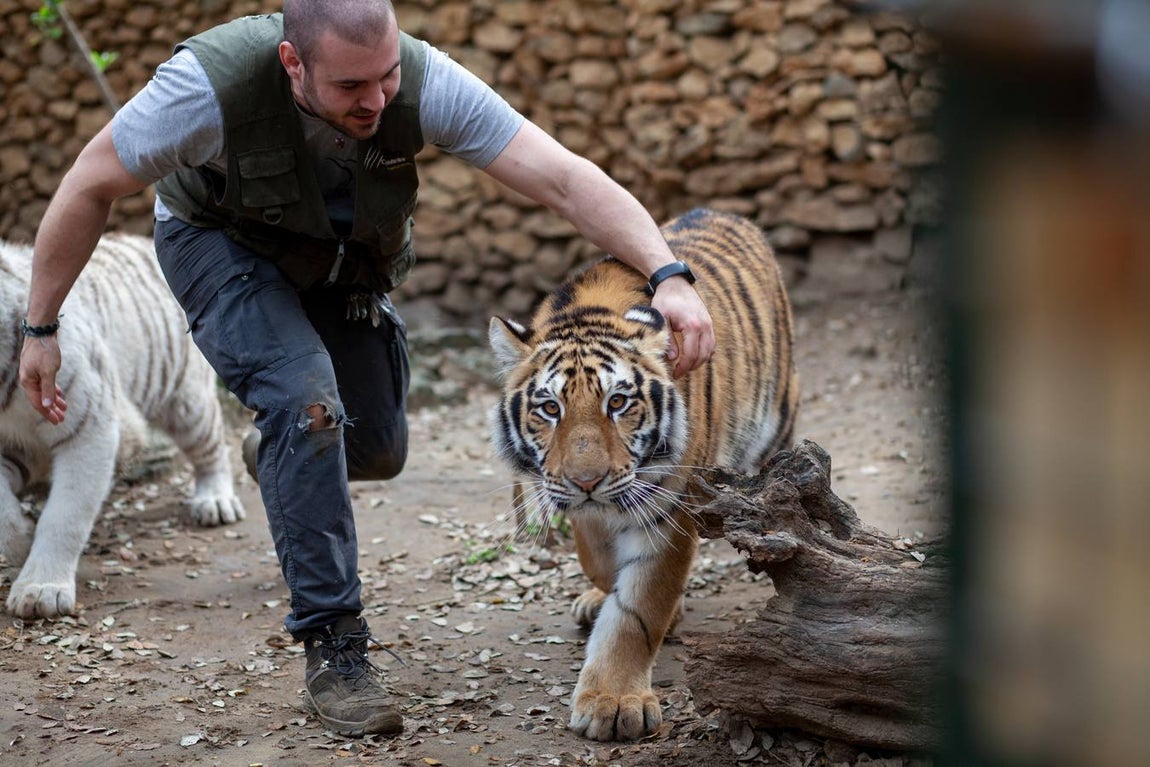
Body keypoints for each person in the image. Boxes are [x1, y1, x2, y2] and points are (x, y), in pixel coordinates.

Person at [19, 0, 715, 738]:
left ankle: (281, 455)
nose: (377, 99)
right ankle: (335, 648)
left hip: (335, 257)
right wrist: (41, 326)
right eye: (352, 86)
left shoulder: (423, 80)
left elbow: (564, 180)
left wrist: (666, 272)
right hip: (217, 245)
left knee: (378, 446)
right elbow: (88, 183)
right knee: (307, 402)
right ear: (293, 64)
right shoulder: (203, 89)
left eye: (386, 76)